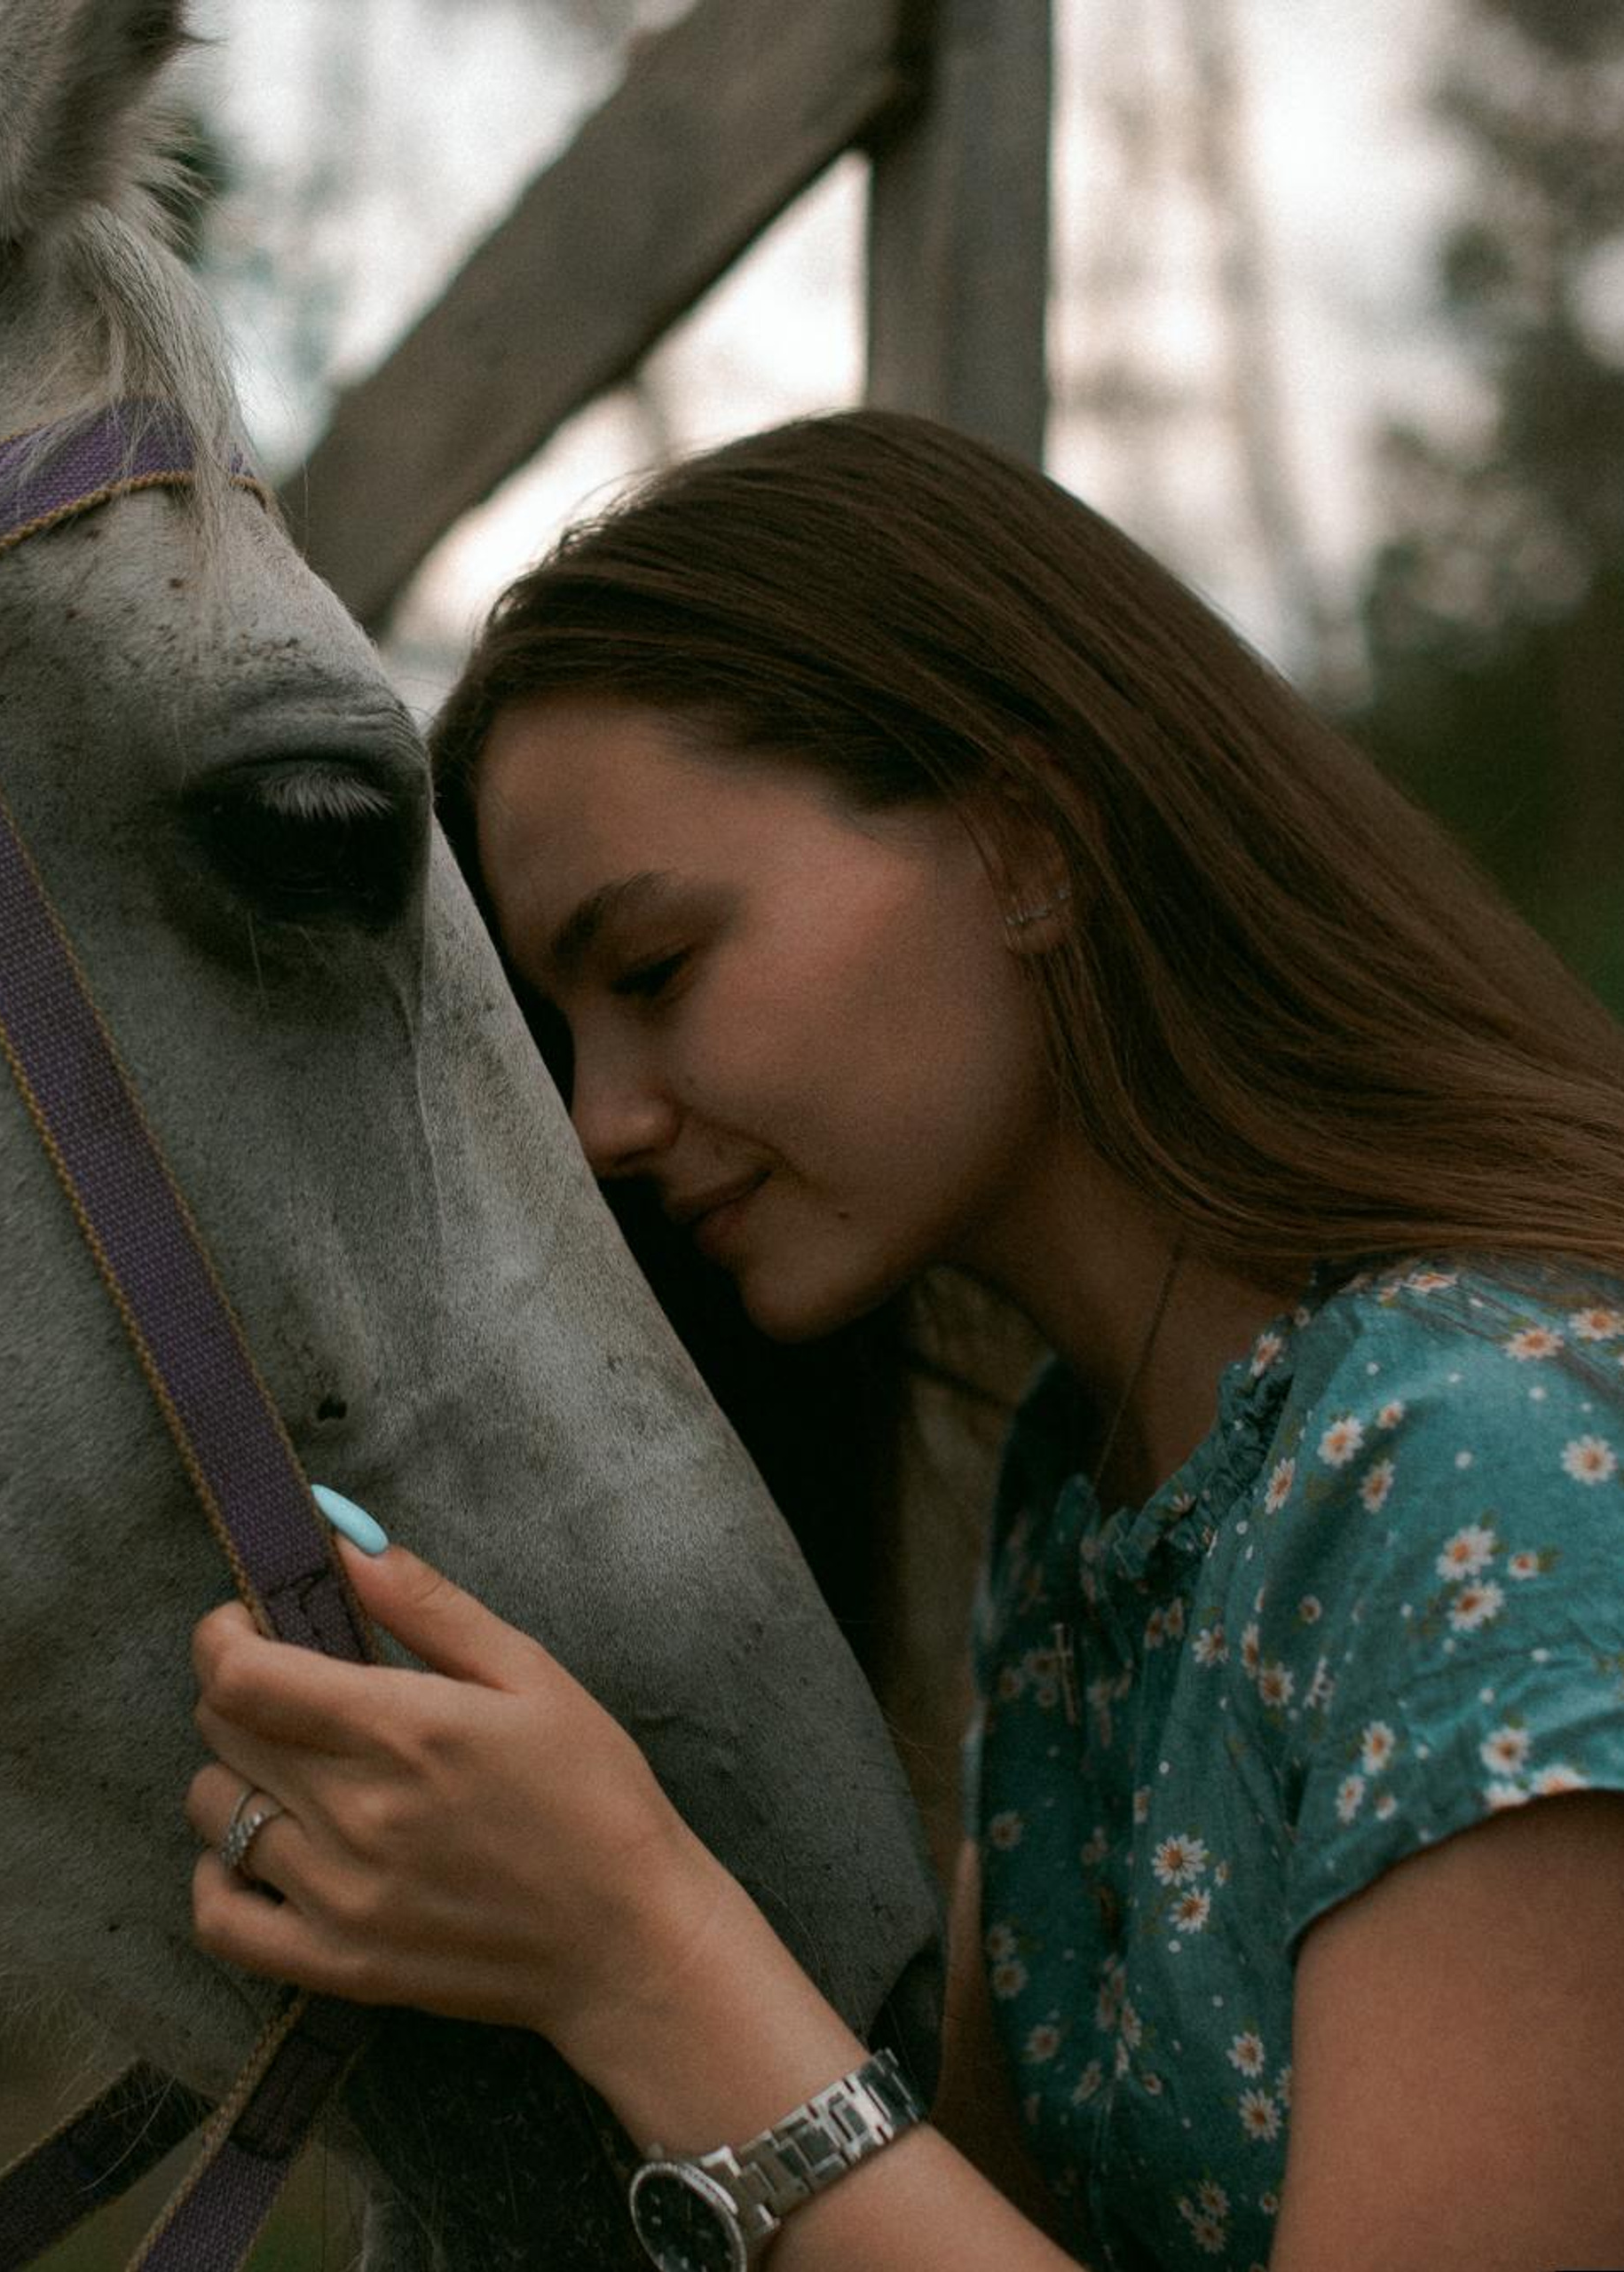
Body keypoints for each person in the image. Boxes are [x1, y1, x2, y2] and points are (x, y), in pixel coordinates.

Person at [181, 410, 1624, 2270]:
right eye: (569, 1033)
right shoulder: (1089, 1504)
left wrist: (626, 1942)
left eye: (653, 972)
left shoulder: (1487, 1461)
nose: (605, 1120)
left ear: (1024, 844)